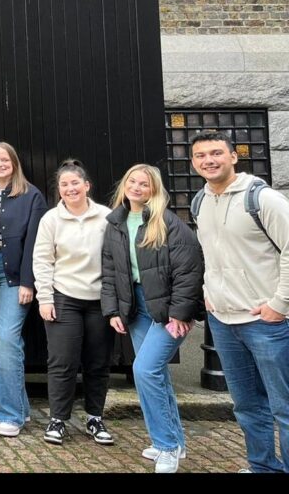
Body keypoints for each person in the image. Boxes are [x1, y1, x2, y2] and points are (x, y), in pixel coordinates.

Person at [191, 130, 289, 473]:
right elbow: (210, 253)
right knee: (247, 406)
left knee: (284, 408)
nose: (209, 160)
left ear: (234, 156)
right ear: (194, 162)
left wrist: (281, 303)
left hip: (266, 321)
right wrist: (207, 289)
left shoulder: (262, 199)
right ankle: (263, 467)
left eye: (216, 153)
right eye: (201, 155)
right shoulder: (200, 201)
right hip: (223, 321)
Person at [101, 164, 204, 472]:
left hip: (169, 309)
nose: (136, 187)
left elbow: (189, 270)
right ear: (124, 185)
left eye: (144, 184)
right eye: (132, 181)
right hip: (136, 307)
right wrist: (113, 310)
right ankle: (177, 443)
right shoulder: (115, 223)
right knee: (155, 375)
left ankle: (166, 446)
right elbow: (109, 271)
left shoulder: (169, 223)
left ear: (153, 190)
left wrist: (180, 313)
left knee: (144, 370)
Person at [32, 159, 114, 446]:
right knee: (62, 362)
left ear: (87, 185)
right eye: (64, 185)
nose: (70, 189)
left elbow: (115, 260)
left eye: (75, 183)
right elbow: (42, 260)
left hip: (99, 301)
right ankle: (58, 420)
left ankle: (95, 417)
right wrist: (44, 297)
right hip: (64, 297)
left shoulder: (106, 217)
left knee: (97, 363)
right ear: (59, 190)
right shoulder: (50, 220)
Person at [0, 142, 47, 437]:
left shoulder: (32, 196)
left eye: (4, 159)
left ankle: (10, 415)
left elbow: (36, 242)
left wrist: (29, 282)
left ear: (14, 163)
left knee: (7, 339)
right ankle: (16, 405)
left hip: (14, 275)